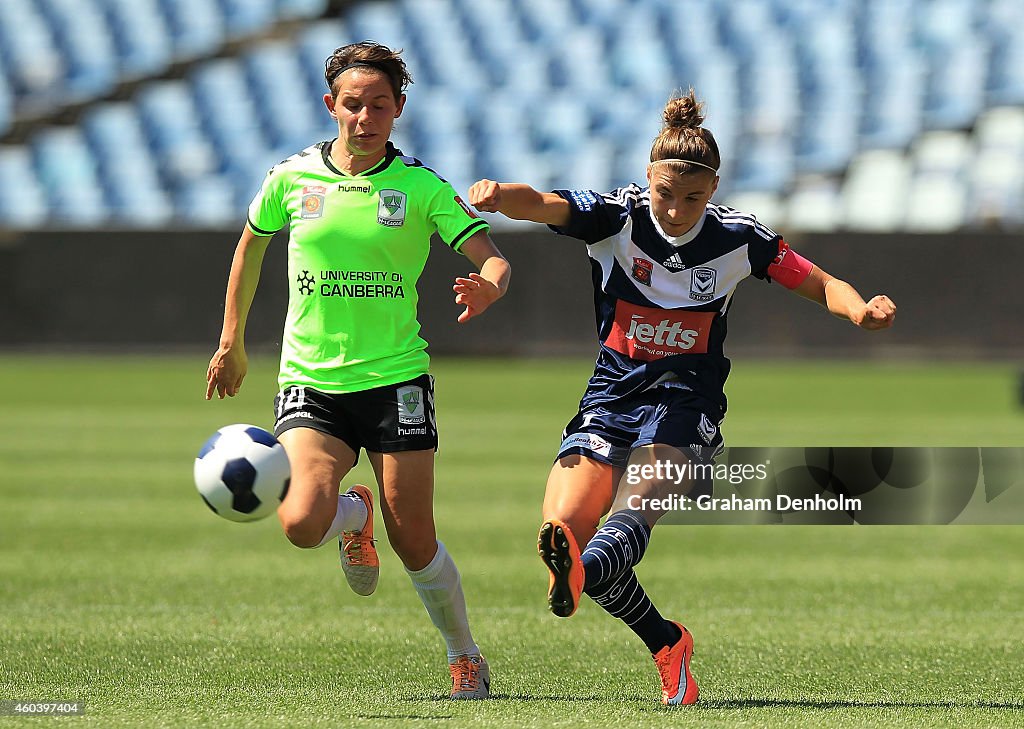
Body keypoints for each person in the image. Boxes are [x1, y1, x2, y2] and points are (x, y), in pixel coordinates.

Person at [468, 88, 895, 706]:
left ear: (714, 189)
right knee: (563, 532)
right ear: (648, 180)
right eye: (665, 194)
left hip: (686, 402)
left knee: (624, 524)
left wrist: (861, 312)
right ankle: (668, 642)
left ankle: (596, 574)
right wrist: (500, 197)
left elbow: (819, 281)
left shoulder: (740, 239)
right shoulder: (617, 218)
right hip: (610, 396)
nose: (675, 209)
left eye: (693, 197)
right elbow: (547, 204)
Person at [205, 41, 510, 700]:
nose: (365, 117)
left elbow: (494, 259)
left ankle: (465, 655)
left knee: (414, 538)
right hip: (311, 382)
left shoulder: (420, 185)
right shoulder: (291, 177)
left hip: (396, 380)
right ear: (330, 107)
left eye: (379, 104)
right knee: (300, 523)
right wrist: (232, 341)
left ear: (399, 109)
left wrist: (489, 284)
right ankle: (352, 516)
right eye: (352, 104)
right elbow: (250, 249)